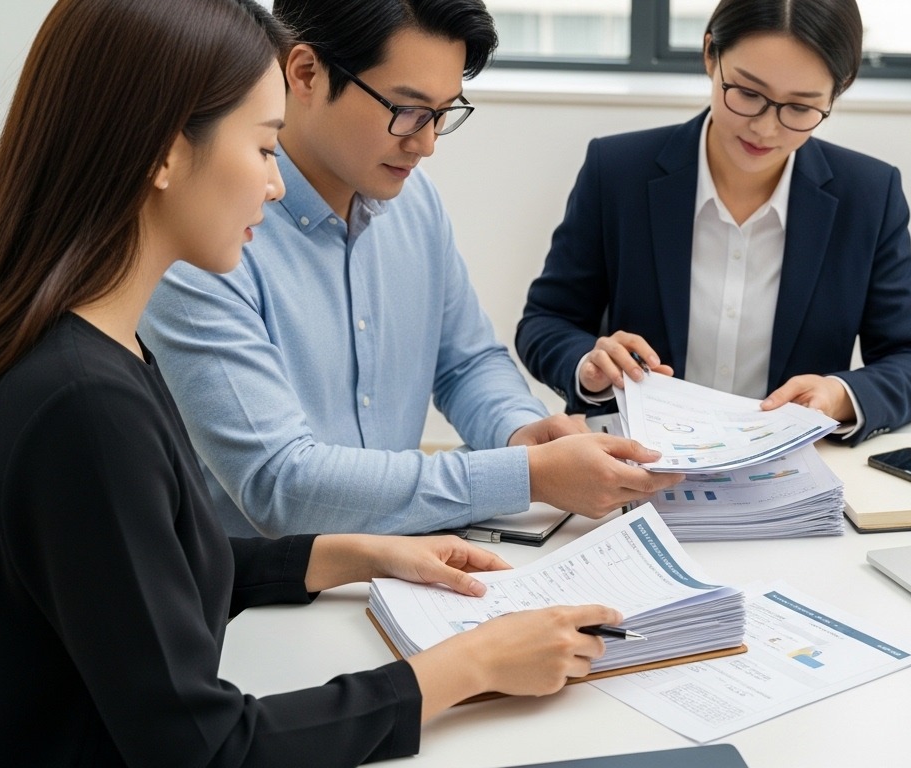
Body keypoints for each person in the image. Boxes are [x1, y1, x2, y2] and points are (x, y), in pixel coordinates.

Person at [0, 1, 620, 763]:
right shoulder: (86, 406)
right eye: (266, 148)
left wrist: (358, 554)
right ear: (167, 155)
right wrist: (467, 667)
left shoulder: (87, 352)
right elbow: (206, 748)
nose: (274, 188)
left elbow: (148, 564)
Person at [139, 0, 679, 537]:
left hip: (406, 564)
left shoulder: (412, 201)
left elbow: (465, 363)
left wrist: (522, 431)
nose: (425, 144)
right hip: (267, 598)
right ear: (304, 73)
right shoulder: (206, 236)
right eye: (406, 109)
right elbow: (280, 483)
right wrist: (525, 474)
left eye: (443, 114)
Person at [517, 0, 911, 446]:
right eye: (747, 93)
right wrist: (589, 364)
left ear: (838, 91)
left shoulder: (868, 195)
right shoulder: (618, 172)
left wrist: (840, 394)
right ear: (710, 55)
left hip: (789, 473)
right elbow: (546, 321)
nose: (765, 128)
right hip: (638, 462)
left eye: (800, 108)